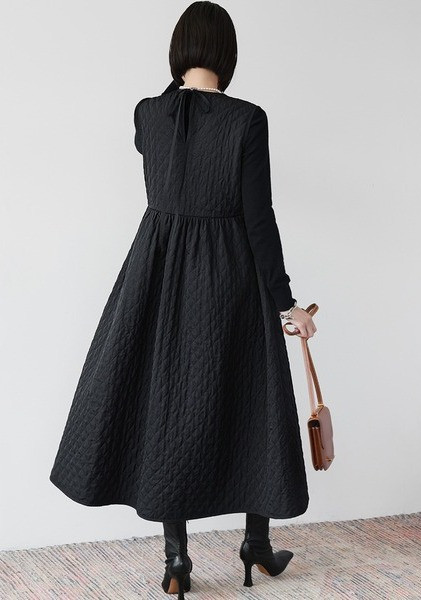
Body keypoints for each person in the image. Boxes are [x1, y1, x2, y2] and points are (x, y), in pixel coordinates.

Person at [49, 1, 317, 598]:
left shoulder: (148, 113)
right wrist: (287, 304)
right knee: (253, 399)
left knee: (165, 404)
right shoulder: (247, 120)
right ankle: (256, 544)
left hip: (159, 273)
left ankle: (177, 560)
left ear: (178, 51)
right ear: (228, 54)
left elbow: (163, 154)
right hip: (231, 275)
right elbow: (259, 218)